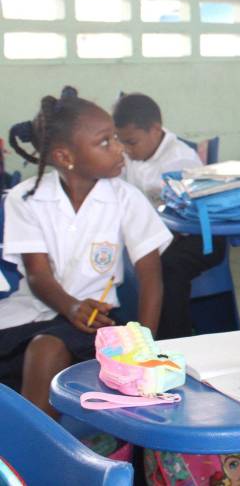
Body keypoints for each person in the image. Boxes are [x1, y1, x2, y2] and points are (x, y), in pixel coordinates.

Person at [1, 86, 171, 417]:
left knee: (46, 350)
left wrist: (142, 348)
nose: (119, 148)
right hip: (27, 314)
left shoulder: (126, 199)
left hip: (92, 324)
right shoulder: (26, 198)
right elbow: (37, 274)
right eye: (105, 142)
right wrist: (71, 305)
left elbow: (151, 278)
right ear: (65, 157)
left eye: (116, 138)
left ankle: (31, 448)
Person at [112, 92, 225, 339]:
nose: (126, 150)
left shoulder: (179, 160)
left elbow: (190, 217)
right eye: (121, 142)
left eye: (131, 142)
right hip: (163, 234)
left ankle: (175, 339)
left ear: (155, 130)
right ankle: (129, 326)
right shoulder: (133, 155)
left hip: (199, 237)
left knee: (167, 269)